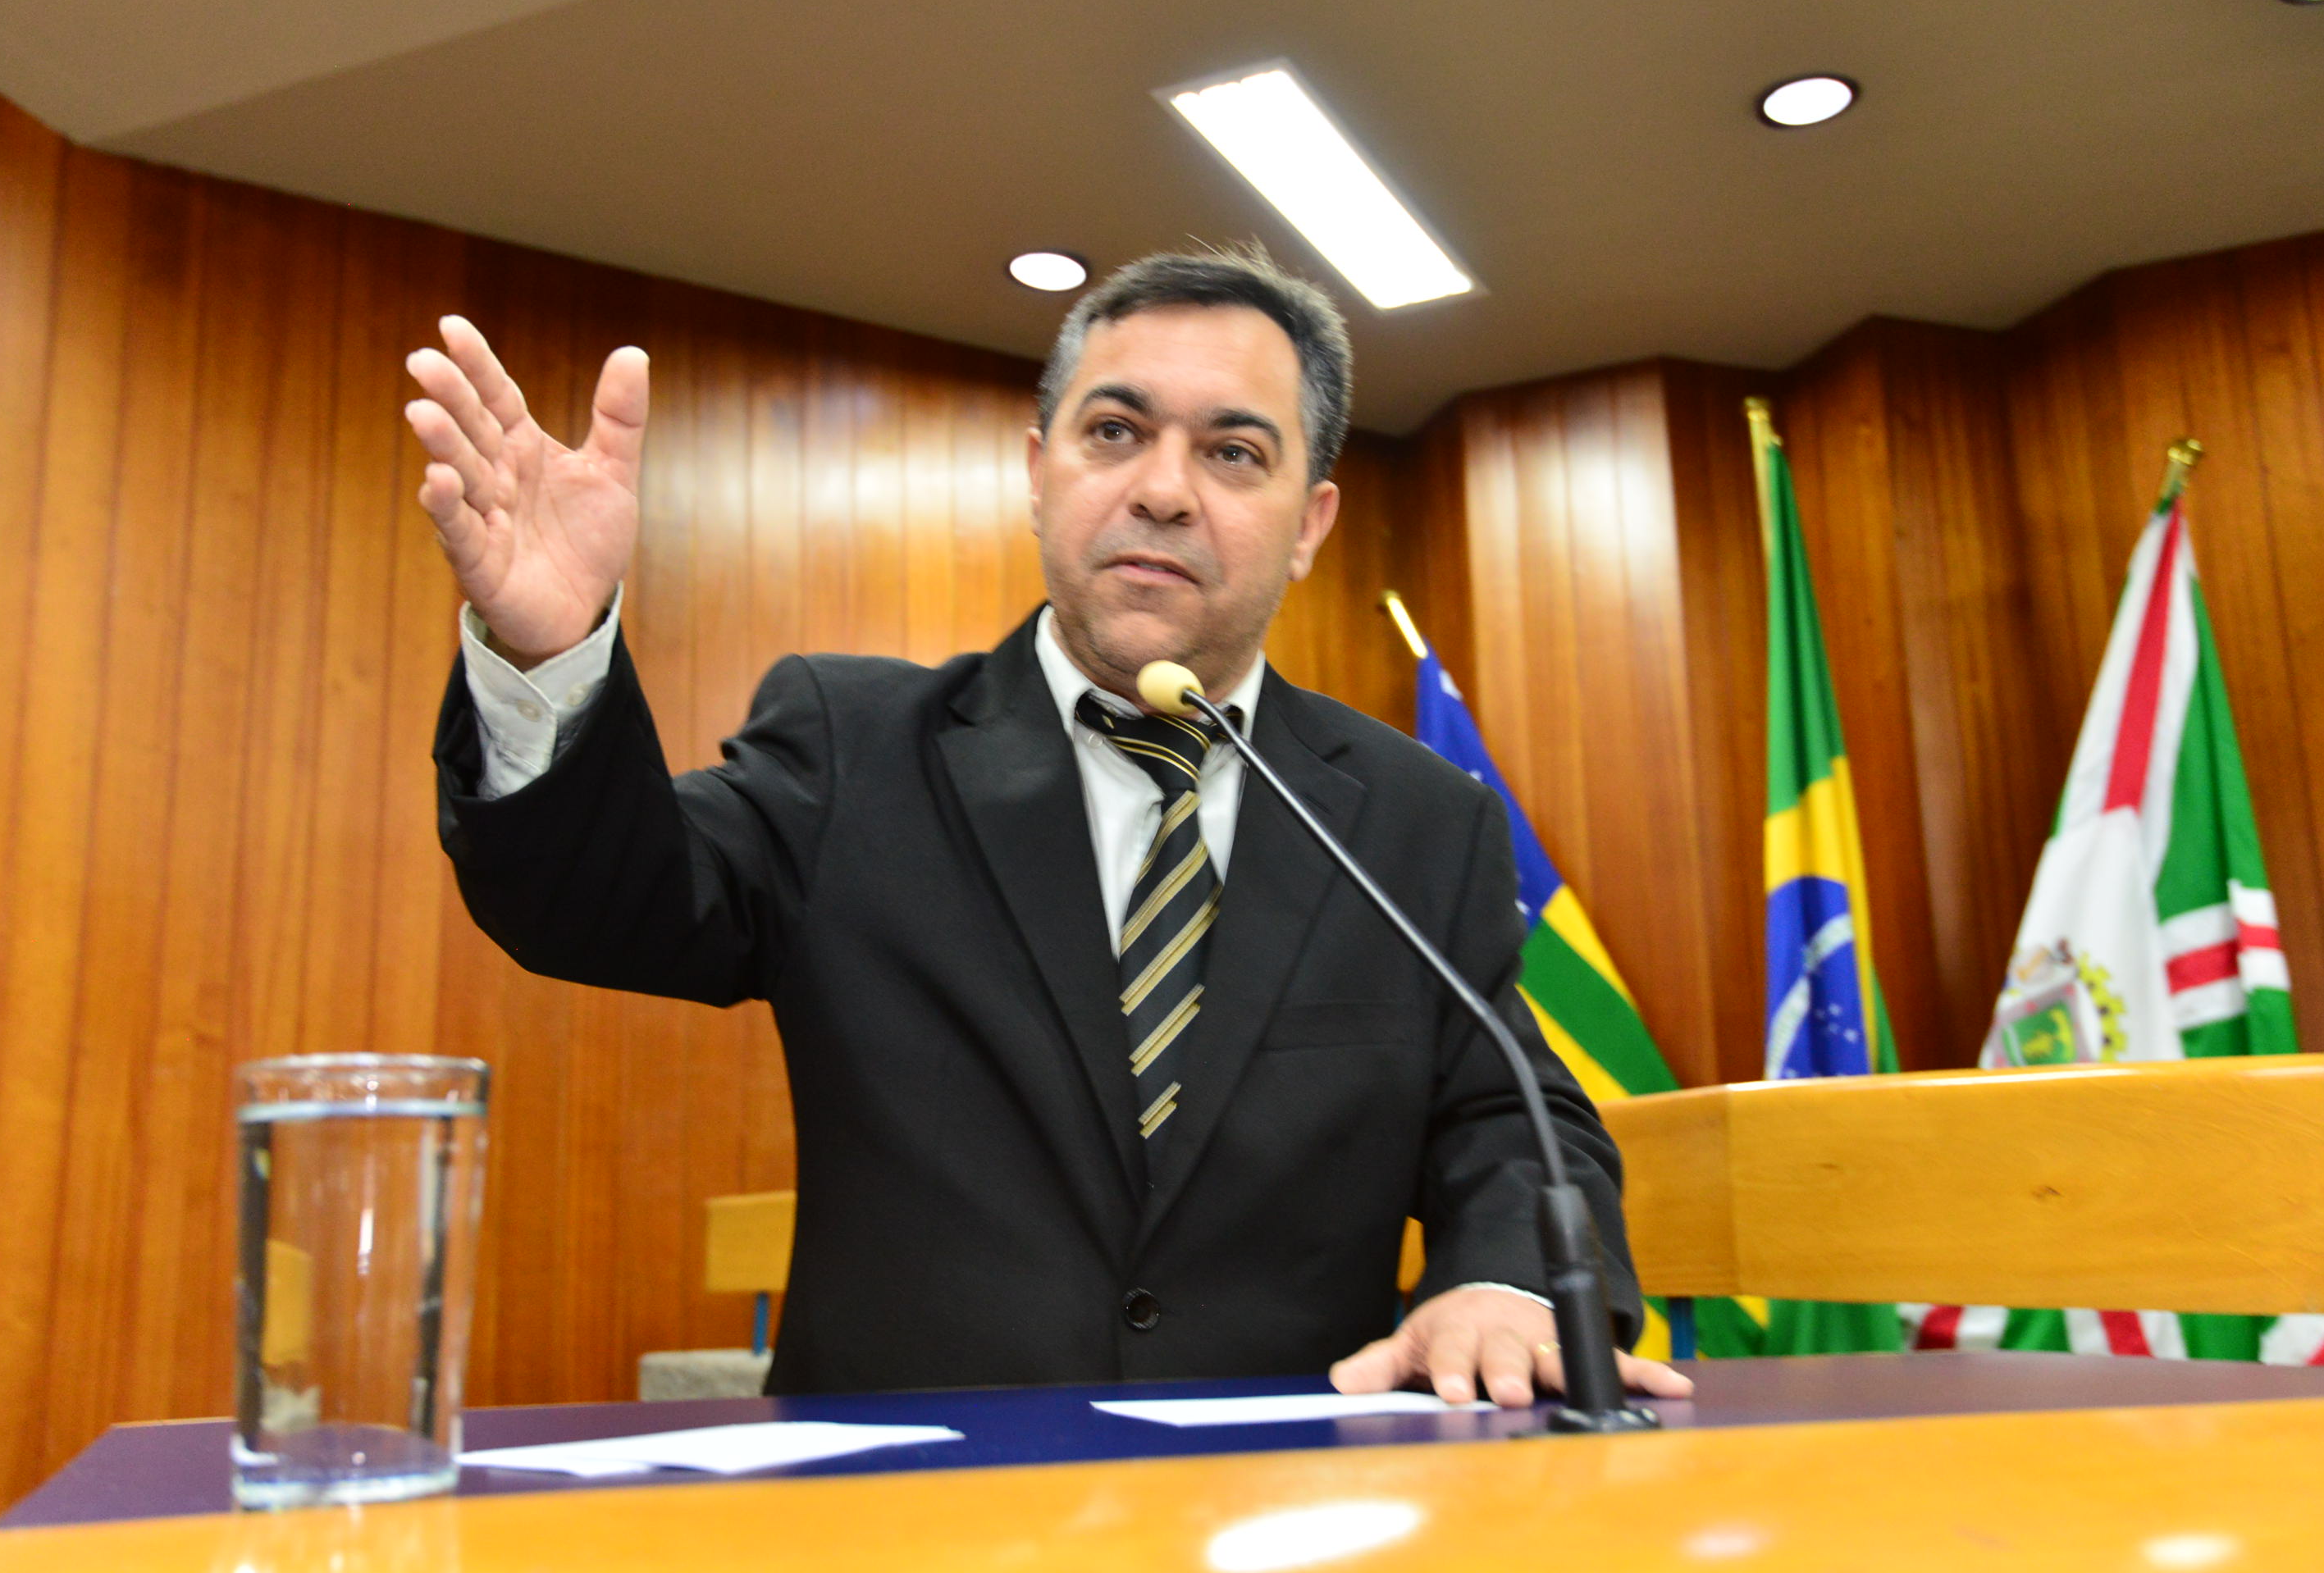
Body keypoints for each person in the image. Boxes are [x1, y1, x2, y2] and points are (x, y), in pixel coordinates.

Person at [411, 249, 1691, 1408]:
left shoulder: (1416, 819)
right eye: (1115, 431)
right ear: (1040, 473)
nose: (1164, 491)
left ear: (1310, 525)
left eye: (1234, 453)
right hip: (908, 1513)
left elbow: (1512, 1117)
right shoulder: (855, 747)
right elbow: (599, 902)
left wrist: (1506, 1286)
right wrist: (550, 651)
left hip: (1285, 1507)